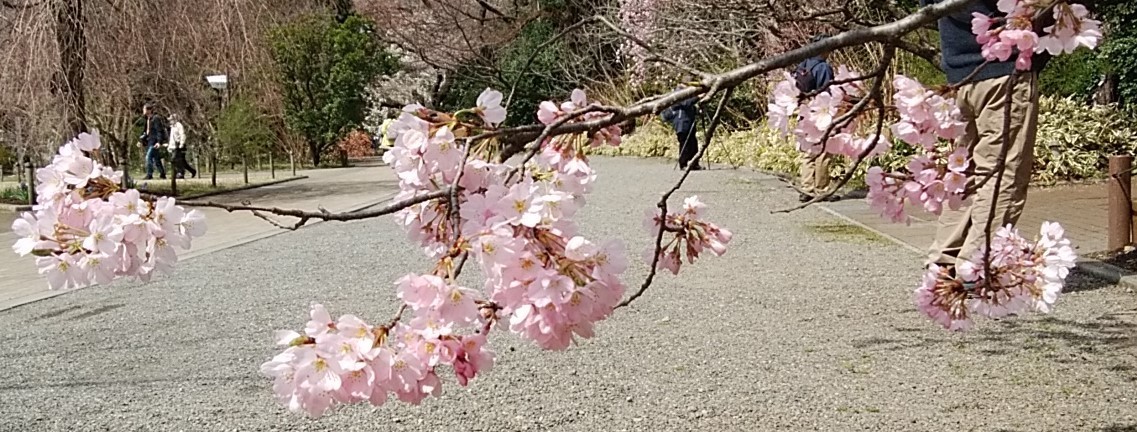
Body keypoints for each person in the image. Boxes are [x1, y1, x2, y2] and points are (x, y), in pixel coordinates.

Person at [921, 0, 1049, 276]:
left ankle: (945, 258)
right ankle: (977, 262)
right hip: (1004, 71)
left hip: (962, 74)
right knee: (1003, 173)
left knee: (966, 169)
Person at [795, 34, 838, 203]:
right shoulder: (823, 68)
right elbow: (827, 92)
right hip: (821, 113)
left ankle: (806, 188)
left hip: (805, 113)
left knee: (807, 152)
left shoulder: (803, 65)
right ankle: (822, 189)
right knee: (823, 152)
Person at [660, 85, 702, 171]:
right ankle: (683, 164)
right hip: (681, 122)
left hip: (689, 120)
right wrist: (698, 97)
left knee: (693, 143)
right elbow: (686, 103)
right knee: (684, 143)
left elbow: (689, 106)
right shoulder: (677, 93)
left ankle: (694, 163)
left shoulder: (687, 92)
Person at [140, 103, 167, 180]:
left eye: (144, 109)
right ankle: (162, 173)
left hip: (154, 141)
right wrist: (142, 140)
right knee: (156, 158)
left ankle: (149, 174)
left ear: (149, 110)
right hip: (149, 141)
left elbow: (159, 131)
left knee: (148, 157)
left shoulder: (156, 118)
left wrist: (159, 142)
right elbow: (146, 132)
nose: (143, 111)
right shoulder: (147, 119)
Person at [168, 114, 197, 179]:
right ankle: (192, 171)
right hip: (174, 146)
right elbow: (171, 138)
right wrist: (170, 146)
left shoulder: (179, 125)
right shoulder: (172, 127)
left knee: (175, 159)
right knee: (182, 161)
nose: (170, 121)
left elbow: (182, 135)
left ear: (175, 119)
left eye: (171, 120)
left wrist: (182, 143)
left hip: (179, 145)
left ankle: (180, 173)